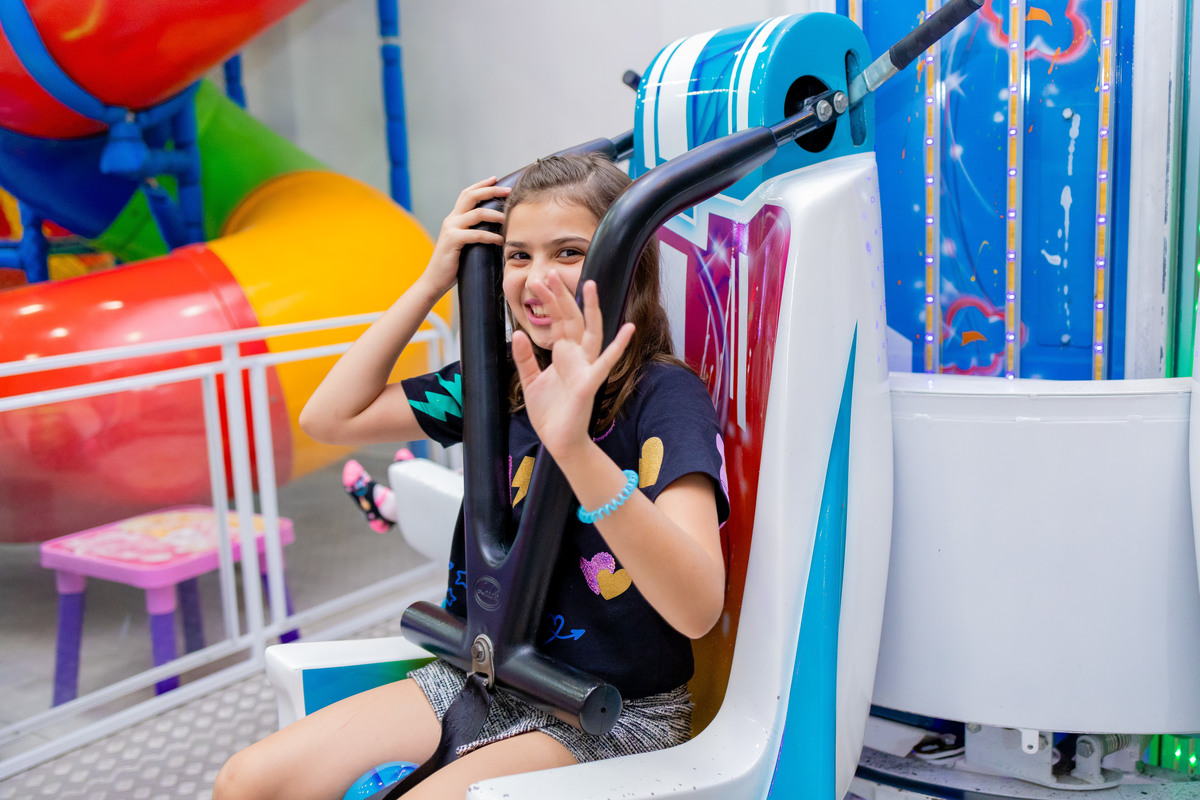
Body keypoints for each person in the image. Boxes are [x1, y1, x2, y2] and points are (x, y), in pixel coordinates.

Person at [213, 154, 729, 800]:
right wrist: (434, 278)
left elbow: (698, 606)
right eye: (517, 257)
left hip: (613, 712)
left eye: (568, 252)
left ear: (626, 261)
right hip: (479, 675)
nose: (537, 280)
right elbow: (330, 416)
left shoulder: (664, 394)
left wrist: (574, 447)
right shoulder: (496, 384)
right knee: (247, 783)